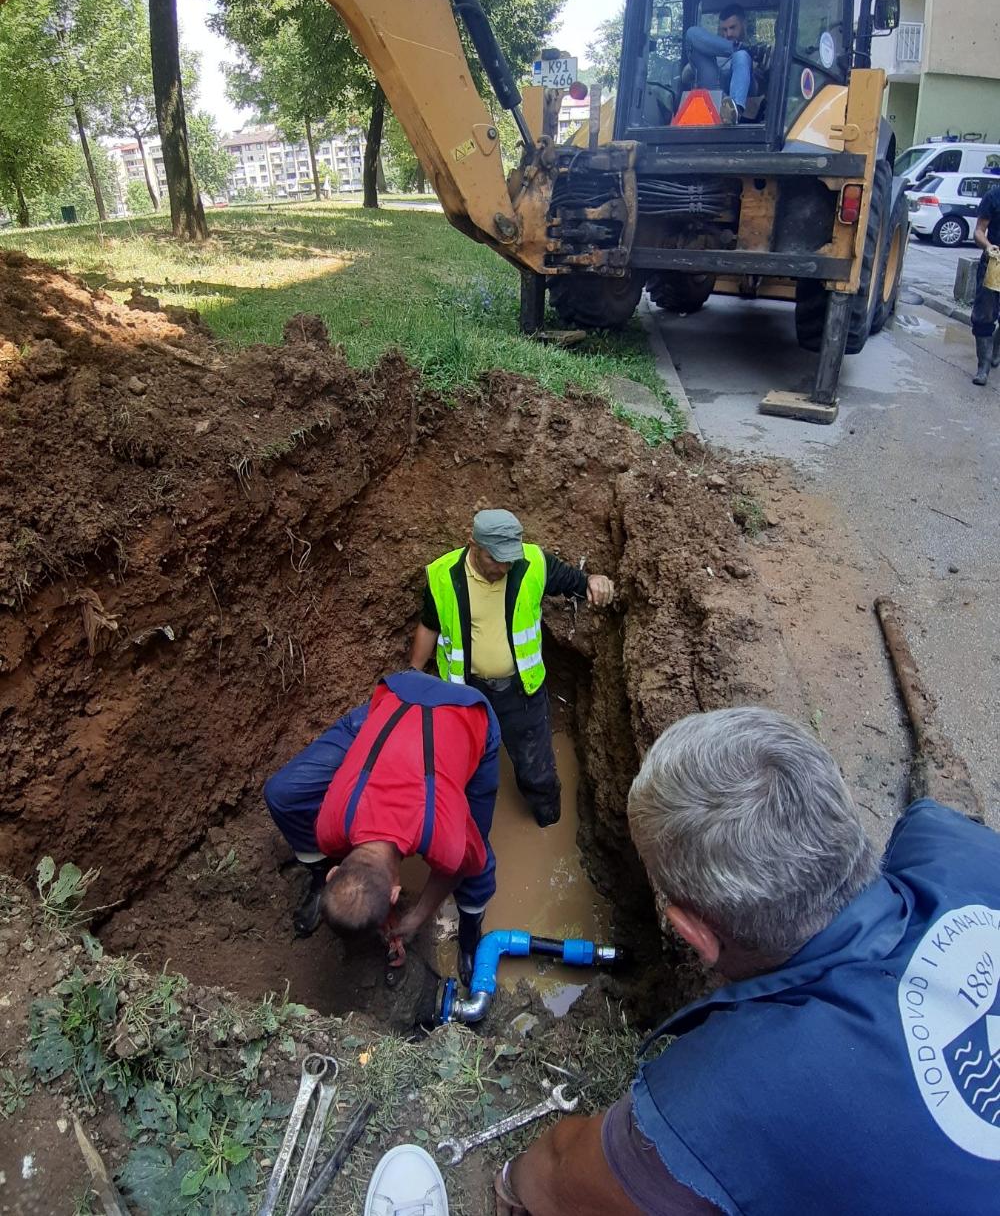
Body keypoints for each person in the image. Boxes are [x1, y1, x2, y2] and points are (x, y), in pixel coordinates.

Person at [494, 707, 1000, 1215]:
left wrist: (511, 1181)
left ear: (695, 935)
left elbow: (563, 1173)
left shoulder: (732, 1093)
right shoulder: (960, 847)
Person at [263, 669, 500, 984]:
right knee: (283, 794)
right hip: (396, 696)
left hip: (466, 711)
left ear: (335, 871)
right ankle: (321, 885)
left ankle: (471, 936)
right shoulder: (332, 823)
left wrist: (416, 918)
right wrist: (383, 910)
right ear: (333, 871)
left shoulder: (440, 834)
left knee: (475, 860)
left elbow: (460, 866)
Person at [410, 509, 614, 829]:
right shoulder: (443, 575)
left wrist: (593, 580)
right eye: (496, 559)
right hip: (466, 694)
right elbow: (429, 625)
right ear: (473, 544)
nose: (505, 567)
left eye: (510, 558)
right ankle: (468, 833)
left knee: (537, 770)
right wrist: (414, 673)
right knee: (464, 767)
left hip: (521, 692)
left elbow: (575, 581)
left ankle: (547, 823)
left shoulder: (532, 562)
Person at [684, 4, 755, 126]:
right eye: (724, 30)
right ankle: (727, 110)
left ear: (744, 25)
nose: (728, 34)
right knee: (691, 33)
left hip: (745, 93)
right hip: (715, 91)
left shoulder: (756, 52)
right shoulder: (713, 50)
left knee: (741, 55)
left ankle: (735, 111)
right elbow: (685, 75)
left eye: (733, 28)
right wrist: (693, 68)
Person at [970, 182, 1000, 385]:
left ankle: (994, 352)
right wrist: (989, 247)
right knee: (984, 315)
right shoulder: (994, 196)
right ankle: (983, 368)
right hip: (995, 262)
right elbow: (979, 231)